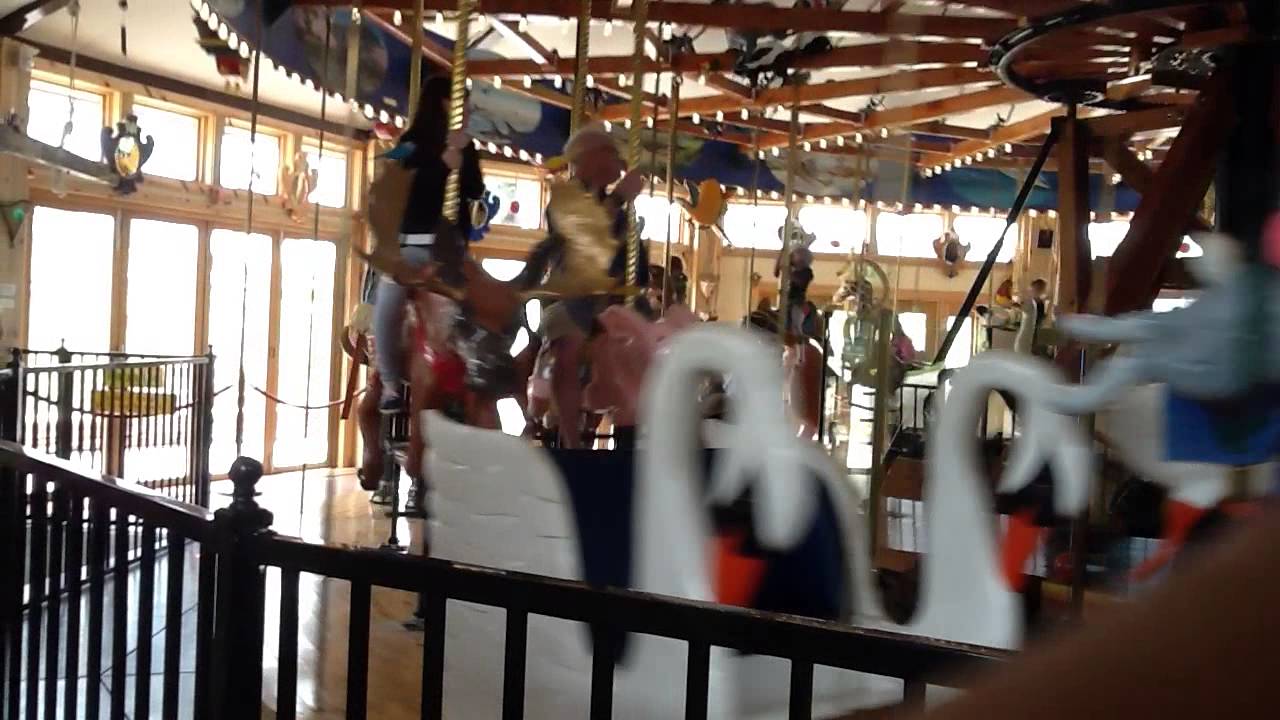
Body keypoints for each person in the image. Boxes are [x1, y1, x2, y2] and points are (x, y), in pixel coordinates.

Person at [519, 124, 648, 447]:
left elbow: (634, 258)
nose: (618, 164)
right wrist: (619, 198)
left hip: (612, 298)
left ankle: (635, 430)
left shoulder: (620, 210)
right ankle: (570, 437)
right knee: (569, 345)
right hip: (571, 295)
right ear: (587, 159)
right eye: (610, 155)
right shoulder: (563, 198)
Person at [372, 76, 484, 413]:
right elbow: (404, 190)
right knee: (388, 304)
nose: (465, 111)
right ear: (441, 104)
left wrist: (463, 157)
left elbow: (475, 191)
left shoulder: (468, 147)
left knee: (484, 304)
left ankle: (481, 371)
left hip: (451, 248)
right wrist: (441, 163)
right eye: (459, 103)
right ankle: (390, 381)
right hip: (414, 245)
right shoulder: (411, 144)